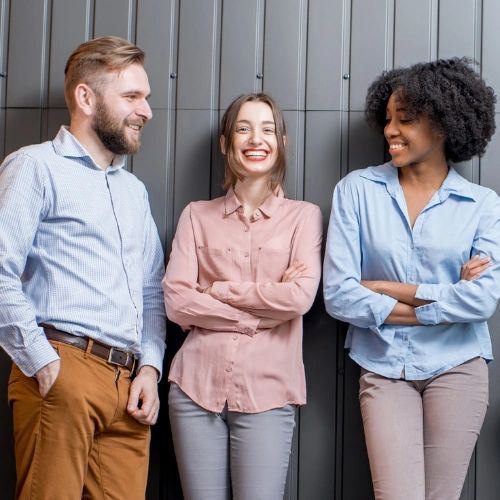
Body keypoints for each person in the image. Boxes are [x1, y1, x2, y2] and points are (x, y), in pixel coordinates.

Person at [323, 58, 499, 500]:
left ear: (443, 125)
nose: (390, 131)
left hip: (458, 367)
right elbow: (339, 296)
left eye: (406, 120)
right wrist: (445, 300)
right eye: (387, 120)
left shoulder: (482, 205)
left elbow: (481, 303)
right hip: (383, 367)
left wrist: (383, 288)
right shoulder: (356, 191)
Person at [0, 36, 166, 499]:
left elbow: (151, 290)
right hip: (63, 372)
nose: (146, 111)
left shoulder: (134, 192)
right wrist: (44, 363)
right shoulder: (35, 168)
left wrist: (150, 369)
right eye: (132, 96)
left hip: (129, 391)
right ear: (86, 97)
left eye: (146, 98)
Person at [163, 93, 322, 500]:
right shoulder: (196, 215)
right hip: (194, 390)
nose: (257, 139)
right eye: (244, 128)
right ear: (225, 142)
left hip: (268, 394)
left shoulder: (303, 217)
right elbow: (178, 301)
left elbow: (298, 298)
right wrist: (254, 317)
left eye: (268, 129)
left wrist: (215, 290)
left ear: (281, 142)